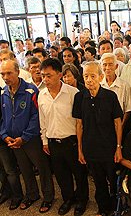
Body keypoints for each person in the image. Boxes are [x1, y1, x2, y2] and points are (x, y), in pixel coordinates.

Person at [0, 59, 54, 213]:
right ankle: (32, 195)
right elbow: (3, 118)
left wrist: (24, 137)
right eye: (2, 74)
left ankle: (48, 197)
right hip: (13, 141)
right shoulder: (3, 93)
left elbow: (36, 117)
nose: (5, 77)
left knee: (42, 169)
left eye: (9, 73)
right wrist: (5, 136)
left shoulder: (31, 91)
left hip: (31, 139)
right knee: (25, 170)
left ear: (18, 72)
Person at [38, 58, 88, 216]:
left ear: (59, 75)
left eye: (49, 76)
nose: (45, 79)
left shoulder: (73, 93)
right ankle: (68, 199)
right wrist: (45, 141)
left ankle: (82, 200)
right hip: (53, 142)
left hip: (71, 141)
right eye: (43, 75)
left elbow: (81, 121)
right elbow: (42, 120)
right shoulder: (42, 95)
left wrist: (81, 144)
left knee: (79, 174)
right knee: (61, 175)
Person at [72, 61, 123, 216]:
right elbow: (79, 125)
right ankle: (103, 209)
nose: (89, 80)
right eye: (86, 76)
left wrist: (118, 147)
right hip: (90, 147)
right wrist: (80, 150)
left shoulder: (110, 96)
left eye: (92, 76)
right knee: (98, 181)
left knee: (113, 180)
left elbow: (117, 123)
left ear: (101, 77)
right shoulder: (79, 97)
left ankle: (116, 207)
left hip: (109, 147)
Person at [100, 53, 131, 131]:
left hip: (120, 125)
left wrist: (120, 126)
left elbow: (127, 109)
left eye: (110, 64)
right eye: (104, 65)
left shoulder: (124, 85)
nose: (107, 68)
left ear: (116, 66)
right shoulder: (98, 85)